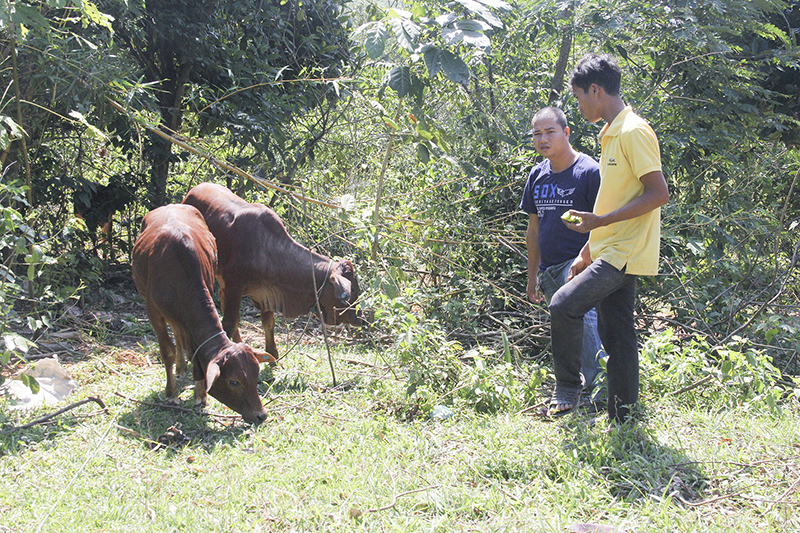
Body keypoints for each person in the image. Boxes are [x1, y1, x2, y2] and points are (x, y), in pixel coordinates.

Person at [547, 53, 670, 423]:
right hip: (609, 248)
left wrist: (599, 221)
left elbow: (658, 193)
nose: (579, 105)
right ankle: (624, 417)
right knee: (617, 334)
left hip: (625, 251)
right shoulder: (611, 134)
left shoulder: (634, 131)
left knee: (563, 304)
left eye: (579, 97)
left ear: (595, 90)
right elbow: (615, 197)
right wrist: (588, 247)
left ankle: (568, 387)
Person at [519, 106, 606, 408]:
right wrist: (533, 275)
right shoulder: (537, 175)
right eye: (537, 134)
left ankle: (604, 389)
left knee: (586, 322)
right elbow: (533, 230)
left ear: (566, 132)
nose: (543, 139)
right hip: (550, 270)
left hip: (581, 264)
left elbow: (605, 221)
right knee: (567, 330)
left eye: (550, 132)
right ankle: (575, 388)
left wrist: (586, 257)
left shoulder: (589, 171)